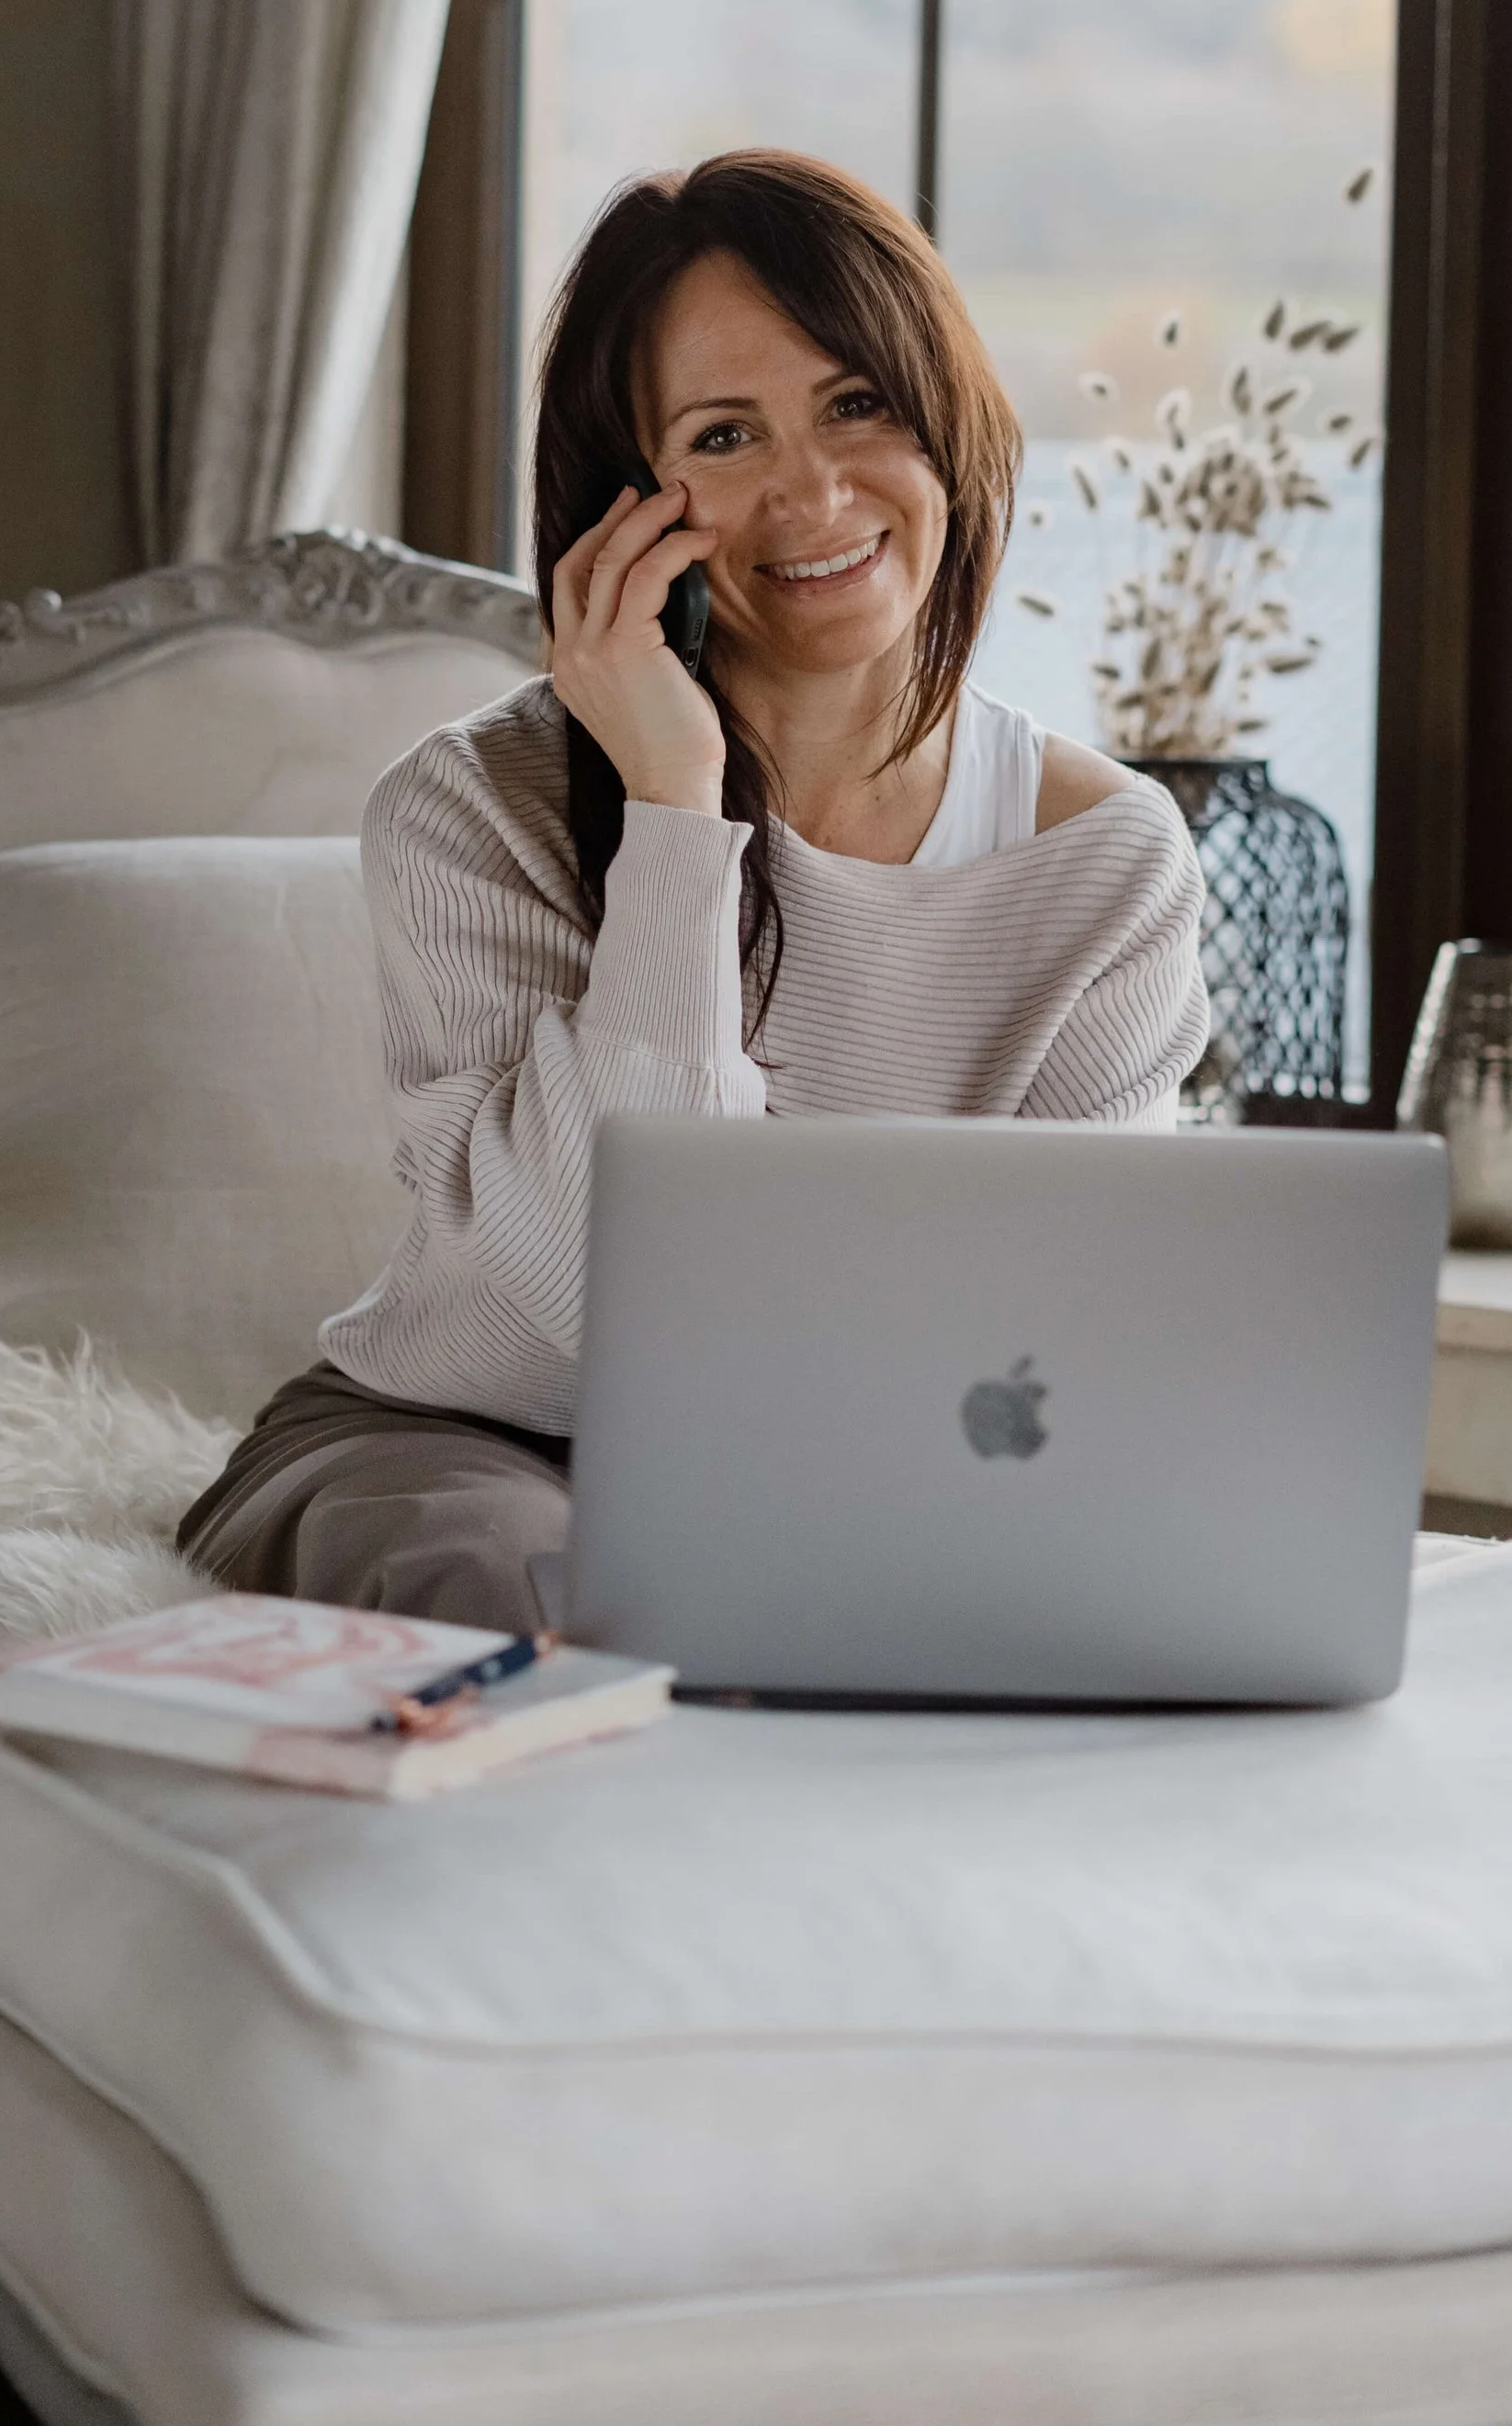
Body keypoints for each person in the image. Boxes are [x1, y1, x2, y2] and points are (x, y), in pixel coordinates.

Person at [178, 152, 1210, 1626]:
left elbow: (1075, 1346)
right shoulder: (471, 811)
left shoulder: (1102, 860)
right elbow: (589, 1305)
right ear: (628, 508)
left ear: (947, 423)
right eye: (725, 435)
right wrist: (673, 807)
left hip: (867, 1475)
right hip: (469, 1449)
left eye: (859, 403)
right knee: (546, 1603)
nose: (815, 490)